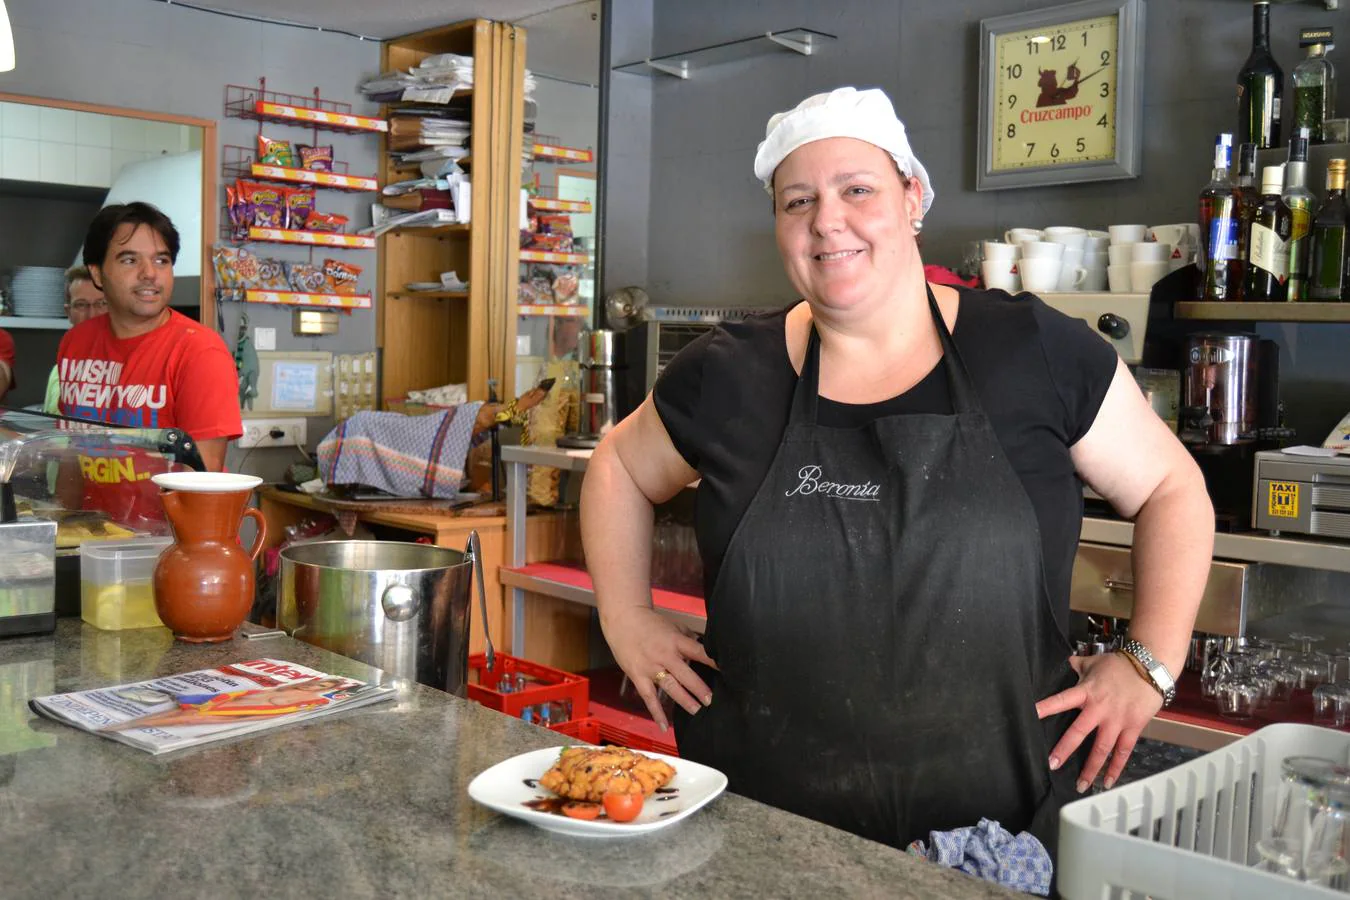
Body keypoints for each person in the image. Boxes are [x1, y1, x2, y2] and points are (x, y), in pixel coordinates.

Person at [579, 87, 1214, 858]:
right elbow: (616, 463)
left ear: (913, 198)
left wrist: (1150, 663)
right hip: (757, 833)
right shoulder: (728, 375)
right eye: (797, 200)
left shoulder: (1034, 352)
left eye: (858, 190)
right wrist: (626, 619)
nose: (827, 221)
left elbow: (1172, 489)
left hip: (994, 841)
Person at [56, 202, 242, 471]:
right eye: (130, 260)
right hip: (94, 515)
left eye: (161, 260)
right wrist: (67, 513)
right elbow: (72, 453)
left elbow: (204, 478)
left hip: (166, 515)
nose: (150, 273)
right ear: (97, 273)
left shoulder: (200, 351)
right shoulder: (76, 342)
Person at [43, 266, 108, 414]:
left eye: (102, 304)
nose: (92, 315)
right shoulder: (59, 370)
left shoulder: (131, 368)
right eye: (81, 305)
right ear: (69, 313)